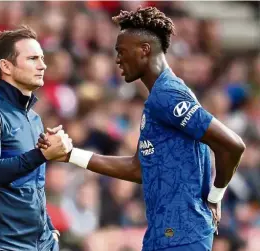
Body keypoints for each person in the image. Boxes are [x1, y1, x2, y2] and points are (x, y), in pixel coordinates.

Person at [38, 7, 246, 251]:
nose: (117, 60)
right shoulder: (157, 99)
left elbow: (232, 145)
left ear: (144, 50)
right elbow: (139, 169)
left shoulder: (168, 95)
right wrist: (71, 154)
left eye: (121, 52)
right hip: (163, 234)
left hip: (183, 235)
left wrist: (215, 197)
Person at [0, 26, 73, 251]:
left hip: (39, 243)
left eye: (42, 58)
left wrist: (49, 230)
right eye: (32, 58)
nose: (43, 65)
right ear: (6, 66)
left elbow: (34, 186)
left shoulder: (34, 118)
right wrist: (41, 154)